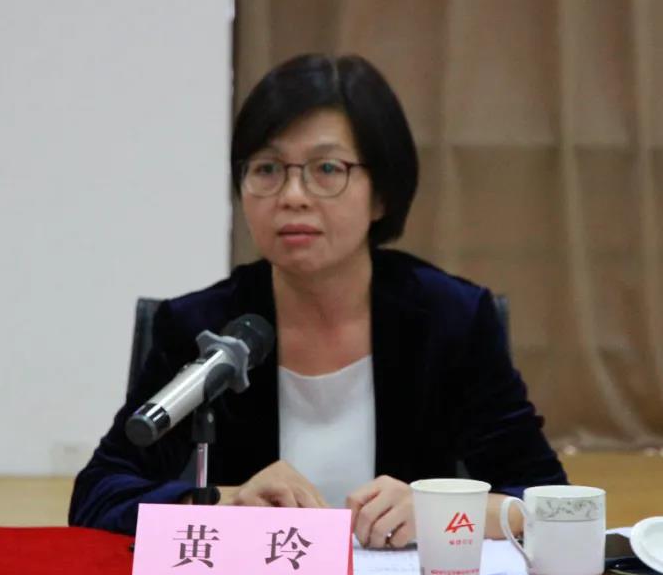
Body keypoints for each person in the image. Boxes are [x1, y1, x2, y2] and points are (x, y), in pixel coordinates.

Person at [69, 53, 567, 548]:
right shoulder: (201, 327)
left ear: (381, 194)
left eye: (327, 168)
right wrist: (224, 504)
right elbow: (98, 494)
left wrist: (442, 509)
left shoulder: (450, 319)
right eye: (267, 168)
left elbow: (548, 499)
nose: (292, 195)